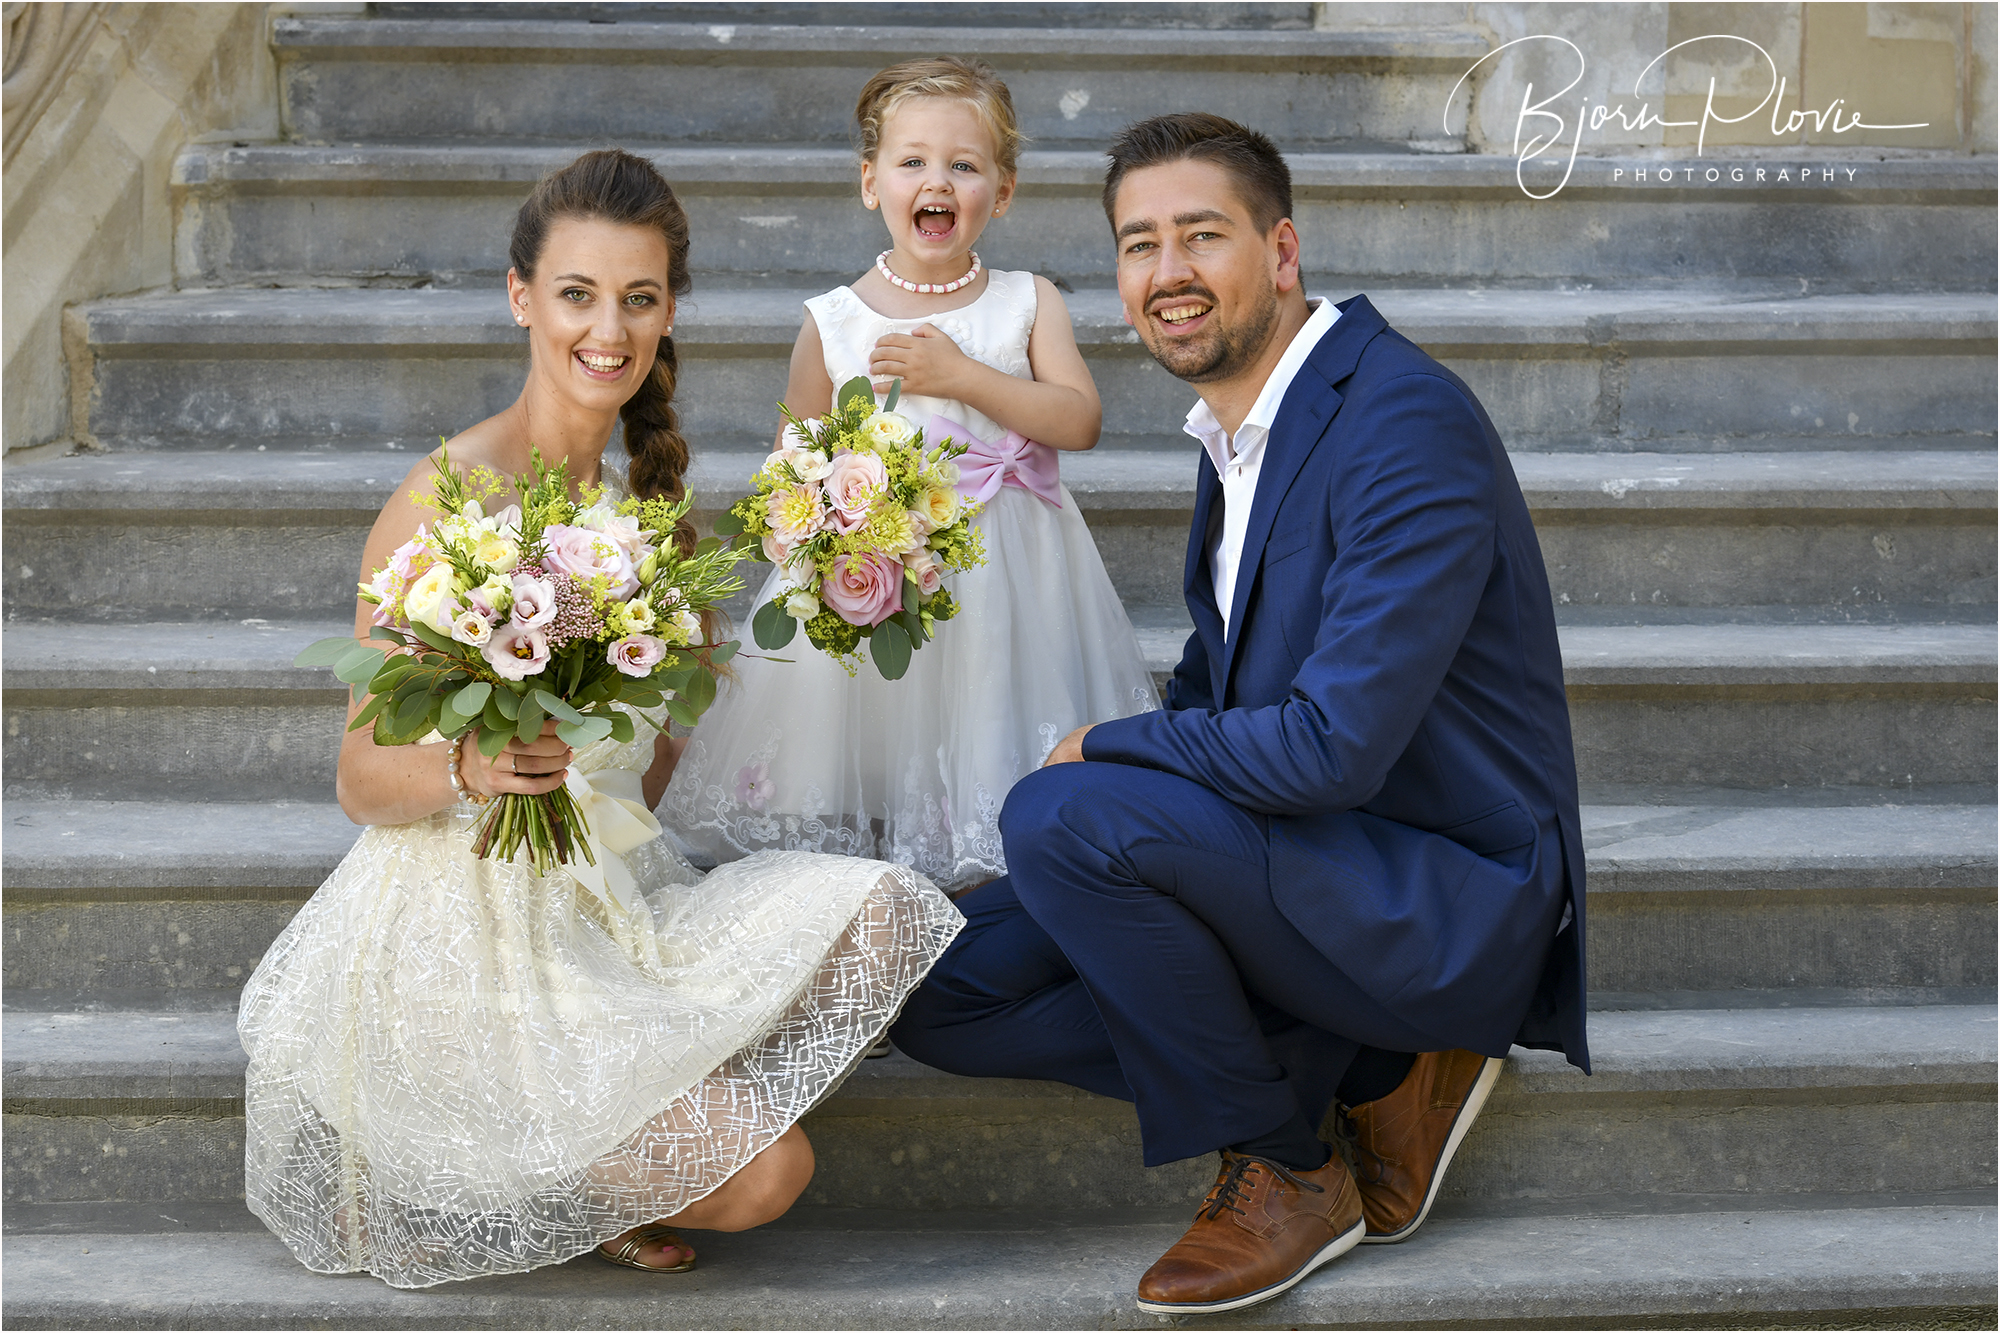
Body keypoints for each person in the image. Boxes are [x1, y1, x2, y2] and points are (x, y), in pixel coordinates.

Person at [890, 113, 1589, 1317]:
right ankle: (1371, 1064)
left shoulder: (1399, 419)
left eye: (1200, 235)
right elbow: (1219, 686)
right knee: (934, 984)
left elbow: (1331, 746)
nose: (1165, 272)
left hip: (1435, 887)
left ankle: (1284, 1162)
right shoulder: (1242, 427)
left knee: (1062, 816)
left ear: (1281, 250)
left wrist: (1106, 751)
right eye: (1138, 244)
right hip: (1302, 860)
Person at [237, 149, 961, 1290]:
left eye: (638, 297)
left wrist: (815, 614)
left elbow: (658, 777)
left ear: (668, 310)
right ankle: (511, 1161)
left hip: (615, 908)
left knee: (882, 913)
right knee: (766, 1176)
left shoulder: (650, 519)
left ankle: (605, 1121)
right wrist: (474, 764)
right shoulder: (445, 498)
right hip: (470, 928)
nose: (608, 330)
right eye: (577, 294)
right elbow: (361, 777)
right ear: (521, 296)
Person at [659, 57, 1159, 894]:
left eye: (964, 165)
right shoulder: (836, 320)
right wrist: (823, 520)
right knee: (874, 729)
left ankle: (992, 881)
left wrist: (964, 377)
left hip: (1007, 572)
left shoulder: (1028, 301)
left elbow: (1079, 419)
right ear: (871, 182)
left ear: (1002, 192)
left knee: (986, 718)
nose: (938, 181)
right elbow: (793, 460)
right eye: (913, 161)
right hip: (882, 572)